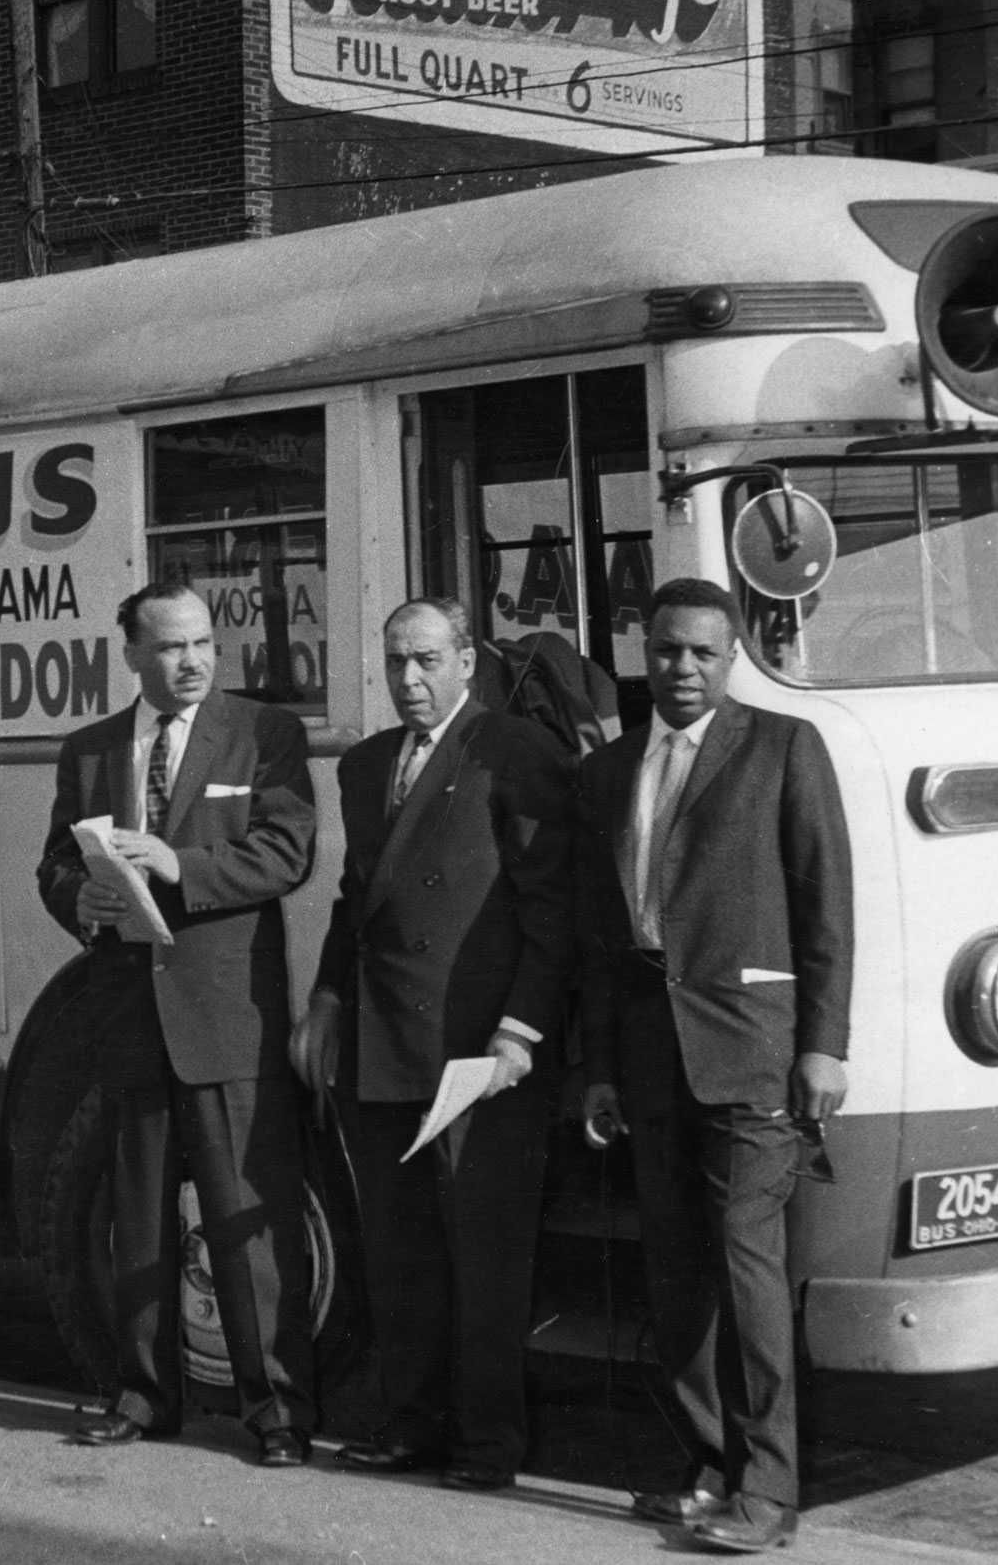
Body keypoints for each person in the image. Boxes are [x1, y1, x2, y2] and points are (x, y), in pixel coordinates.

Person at [578, 578, 854, 1556]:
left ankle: (768, 1491)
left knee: (747, 1272)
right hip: (652, 1055)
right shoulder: (611, 770)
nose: (682, 668)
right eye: (664, 651)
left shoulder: (784, 747)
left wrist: (825, 1041)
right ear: (642, 654)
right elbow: (605, 939)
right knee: (676, 1276)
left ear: (731, 655)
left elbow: (826, 905)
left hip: (754, 1049)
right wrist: (604, 1067)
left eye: (701, 651)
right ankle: (707, 1464)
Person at [291, 599, 577, 1491]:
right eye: (394, 663)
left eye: (426, 660)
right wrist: (330, 995)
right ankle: (411, 1423)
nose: (409, 681)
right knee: (399, 1249)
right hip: (383, 1042)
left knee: (485, 1257)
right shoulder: (370, 764)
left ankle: (490, 1443)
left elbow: (550, 909)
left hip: (477, 1056)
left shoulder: (516, 751)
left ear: (466, 661)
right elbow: (356, 895)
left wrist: (517, 1034)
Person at [35, 579, 320, 1468]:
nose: (192, 660)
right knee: (137, 1210)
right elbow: (52, 865)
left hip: (226, 1010)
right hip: (128, 1008)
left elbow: (286, 851)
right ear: (131, 655)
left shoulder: (265, 733)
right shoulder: (86, 751)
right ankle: (142, 1394)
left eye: (202, 643)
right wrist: (80, 896)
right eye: (169, 647)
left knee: (245, 1216)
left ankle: (273, 1409)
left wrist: (177, 861)